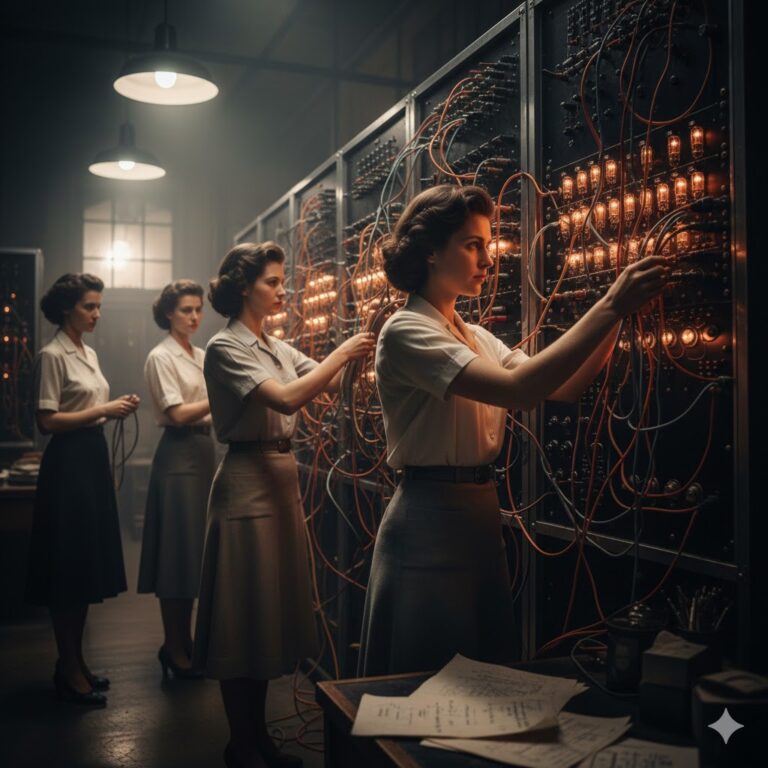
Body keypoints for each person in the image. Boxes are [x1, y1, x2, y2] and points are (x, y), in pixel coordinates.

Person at [358, 184, 670, 676]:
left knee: (480, 669)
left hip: (480, 513)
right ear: (431, 253)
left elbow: (563, 386)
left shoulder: (474, 334)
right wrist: (610, 303)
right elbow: (520, 390)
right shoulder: (405, 330)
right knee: (428, 673)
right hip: (428, 518)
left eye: (488, 244)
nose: (488, 257)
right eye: (472, 244)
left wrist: (618, 316)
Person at [193, 242, 375, 768]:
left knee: (266, 617)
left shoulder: (277, 346)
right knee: (240, 619)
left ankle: (258, 739)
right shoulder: (225, 347)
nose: (283, 289)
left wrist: (365, 349)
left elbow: (332, 379)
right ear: (244, 285)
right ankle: (241, 743)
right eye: (273, 281)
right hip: (246, 480)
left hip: (279, 477)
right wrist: (343, 352)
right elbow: (288, 398)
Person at [26, 272, 140, 706]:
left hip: (91, 458)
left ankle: (75, 662)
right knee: (68, 570)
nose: (96, 313)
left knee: (84, 566)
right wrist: (104, 409)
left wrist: (112, 411)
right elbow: (46, 420)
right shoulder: (51, 354)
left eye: (98, 306)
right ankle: (68, 667)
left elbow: (91, 409)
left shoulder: (87, 352)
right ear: (65, 309)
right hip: (68, 464)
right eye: (88, 306)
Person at [137, 280, 213, 679]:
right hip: (179, 453)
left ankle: (186, 642)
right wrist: (222, 397)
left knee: (193, 556)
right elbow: (179, 414)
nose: (195, 316)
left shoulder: (201, 354)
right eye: (186, 310)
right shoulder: (160, 356)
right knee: (175, 555)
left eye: (198, 308)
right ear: (168, 313)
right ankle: (173, 643)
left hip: (204, 453)